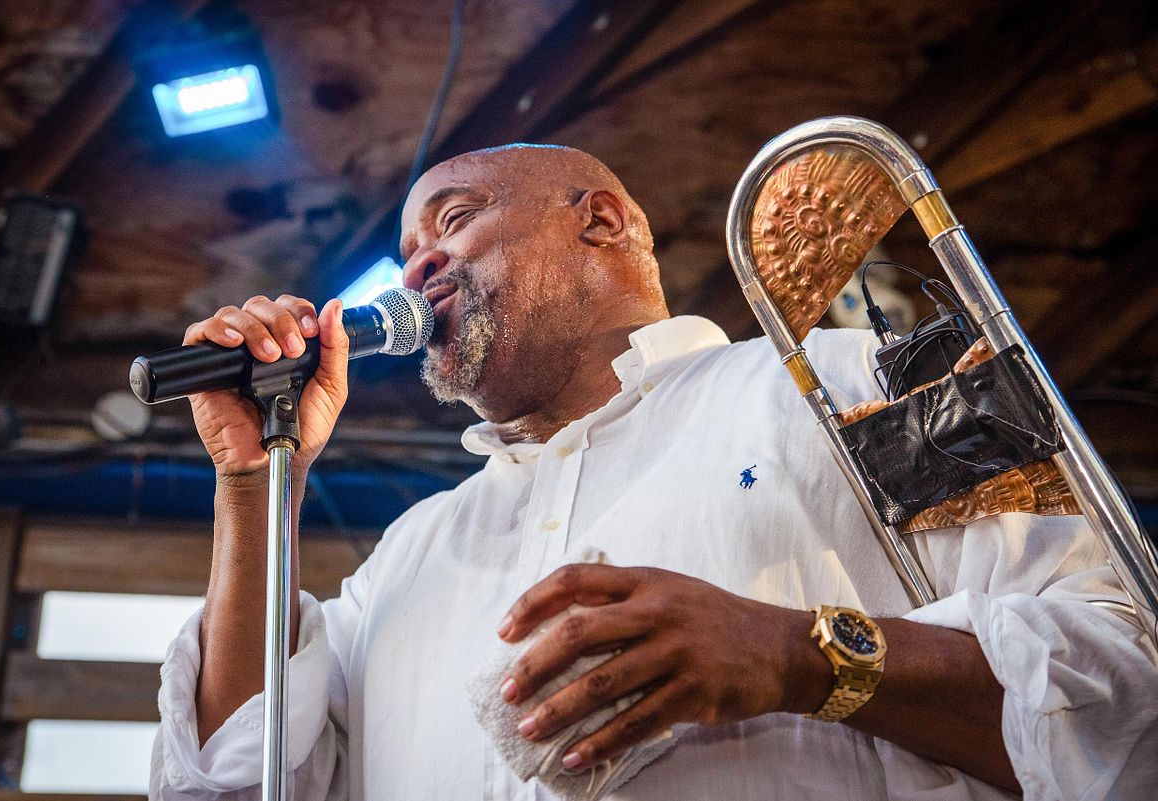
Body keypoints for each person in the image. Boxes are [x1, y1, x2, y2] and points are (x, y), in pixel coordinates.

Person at [152, 144, 1157, 800]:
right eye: (406, 250)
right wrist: (255, 485)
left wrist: (801, 657)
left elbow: (1125, 690)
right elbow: (229, 781)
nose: (413, 269)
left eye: (452, 220)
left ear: (600, 222)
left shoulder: (844, 385)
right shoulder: (409, 552)